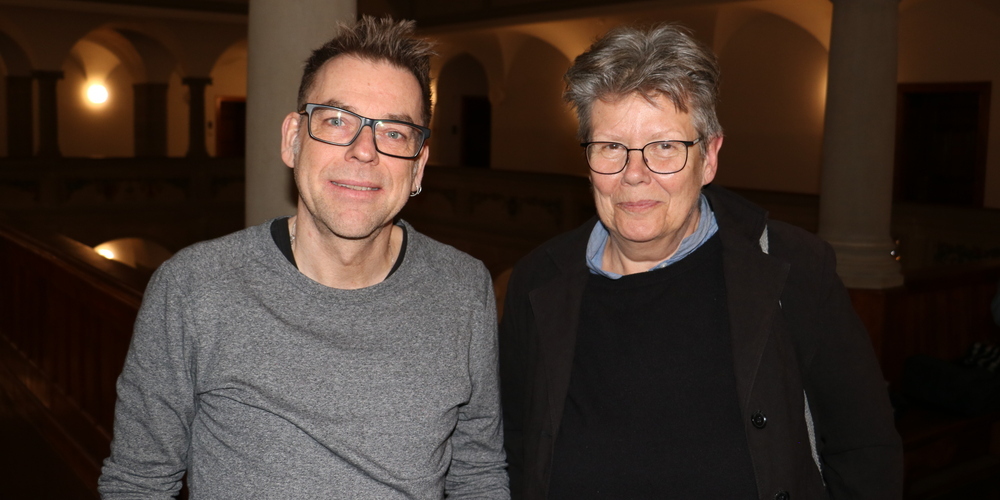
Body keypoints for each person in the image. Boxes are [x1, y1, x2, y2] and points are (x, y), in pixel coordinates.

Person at [99, 16, 508, 499]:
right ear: (293, 139)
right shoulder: (194, 287)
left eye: (395, 132)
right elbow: (138, 484)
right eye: (336, 121)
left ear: (418, 166)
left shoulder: (463, 288)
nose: (363, 151)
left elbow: (477, 474)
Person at [499, 23, 903, 499]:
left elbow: (864, 452)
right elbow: (514, 450)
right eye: (610, 147)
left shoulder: (794, 270)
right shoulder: (537, 283)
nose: (634, 175)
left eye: (665, 147)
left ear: (709, 157)